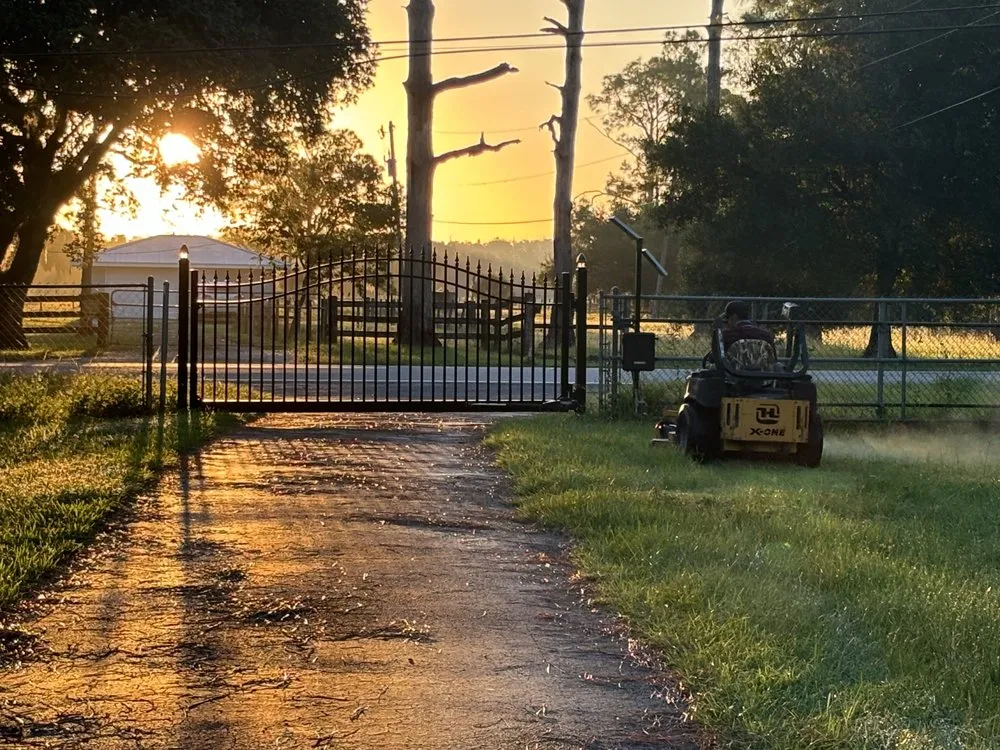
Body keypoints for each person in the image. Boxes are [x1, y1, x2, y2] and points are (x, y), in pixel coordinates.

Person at [705, 300, 776, 366]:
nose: (726, 321)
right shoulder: (765, 335)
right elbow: (774, 359)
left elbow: (714, 358)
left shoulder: (727, 335)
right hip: (762, 374)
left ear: (734, 317)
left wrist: (717, 332)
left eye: (727, 317)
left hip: (733, 374)